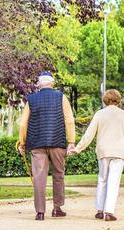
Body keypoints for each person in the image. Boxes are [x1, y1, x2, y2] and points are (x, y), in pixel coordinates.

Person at [18, 71, 76, 221]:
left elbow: (23, 124)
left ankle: (40, 212)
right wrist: (71, 141)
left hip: (37, 143)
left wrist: (22, 142)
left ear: (39, 84)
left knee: (39, 177)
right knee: (58, 175)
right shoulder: (61, 97)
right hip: (57, 142)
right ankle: (57, 208)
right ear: (52, 83)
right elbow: (69, 121)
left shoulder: (31, 99)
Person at [70, 89, 124, 221]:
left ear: (105, 100)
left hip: (103, 151)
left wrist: (78, 148)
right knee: (113, 182)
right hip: (119, 151)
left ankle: (99, 210)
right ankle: (109, 212)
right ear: (118, 100)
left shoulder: (100, 114)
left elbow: (89, 134)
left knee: (102, 180)